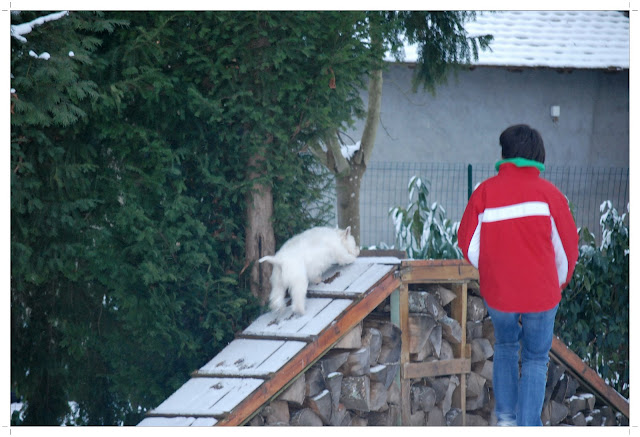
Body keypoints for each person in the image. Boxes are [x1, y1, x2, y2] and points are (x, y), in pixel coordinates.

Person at [457, 124, 579, 426]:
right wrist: (557, 282)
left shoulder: (485, 192)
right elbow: (567, 249)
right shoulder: (550, 196)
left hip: (499, 293)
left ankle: (507, 421)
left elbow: (466, 240)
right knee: (536, 358)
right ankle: (527, 427)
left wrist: (490, 269)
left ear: (505, 155)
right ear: (538, 156)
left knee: (506, 347)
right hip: (541, 293)